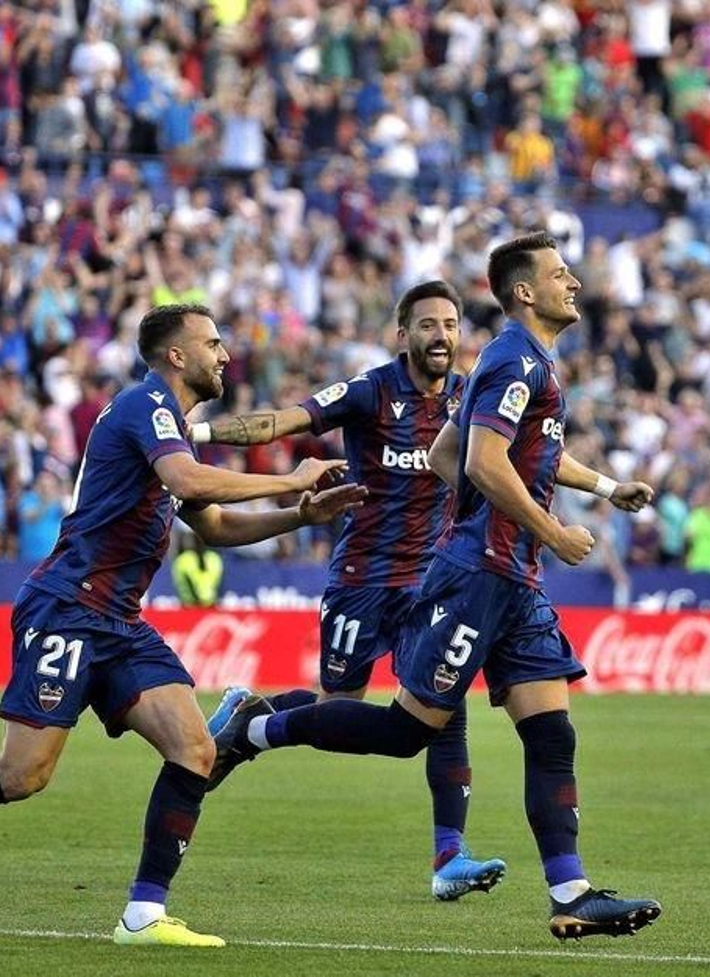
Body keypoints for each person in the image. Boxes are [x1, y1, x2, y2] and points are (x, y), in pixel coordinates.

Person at [0, 304, 365, 948]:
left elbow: (211, 526)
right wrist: (286, 474)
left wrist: (300, 513)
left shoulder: (173, 428)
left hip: (119, 621)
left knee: (196, 751)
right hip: (67, 608)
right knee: (20, 778)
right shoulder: (146, 407)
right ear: (176, 355)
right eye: (212, 343)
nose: (224, 354)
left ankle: (143, 916)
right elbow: (187, 480)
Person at [208, 234, 664, 941]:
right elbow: (480, 459)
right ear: (523, 292)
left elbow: (449, 451)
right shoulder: (512, 362)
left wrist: (585, 494)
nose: (573, 281)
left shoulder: (512, 365)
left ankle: (569, 890)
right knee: (403, 731)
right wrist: (542, 528)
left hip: (510, 578)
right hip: (476, 574)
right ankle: (259, 728)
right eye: (558, 273)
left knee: (552, 733)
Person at [192, 280, 507, 900]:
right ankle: (254, 717)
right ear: (403, 335)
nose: (440, 335)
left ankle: (449, 858)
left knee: (445, 715)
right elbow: (284, 421)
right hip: (363, 578)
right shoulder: (370, 391)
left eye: (449, 325)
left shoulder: (470, 400)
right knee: (337, 706)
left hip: (433, 583)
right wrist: (194, 437)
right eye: (427, 325)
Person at [171, 532, 223, 607]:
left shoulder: (183, 559)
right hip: (208, 605)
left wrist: (196, 601)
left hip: (191, 606)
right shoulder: (214, 558)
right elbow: (219, 584)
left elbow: (186, 582)